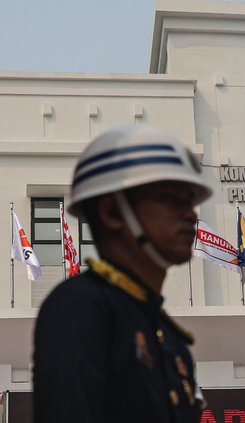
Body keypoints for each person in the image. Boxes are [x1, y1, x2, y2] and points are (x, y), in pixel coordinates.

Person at [33, 124, 212, 423]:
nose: (191, 213)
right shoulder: (80, 307)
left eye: (191, 201)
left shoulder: (171, 339)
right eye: (170, 198)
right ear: (112, 213)